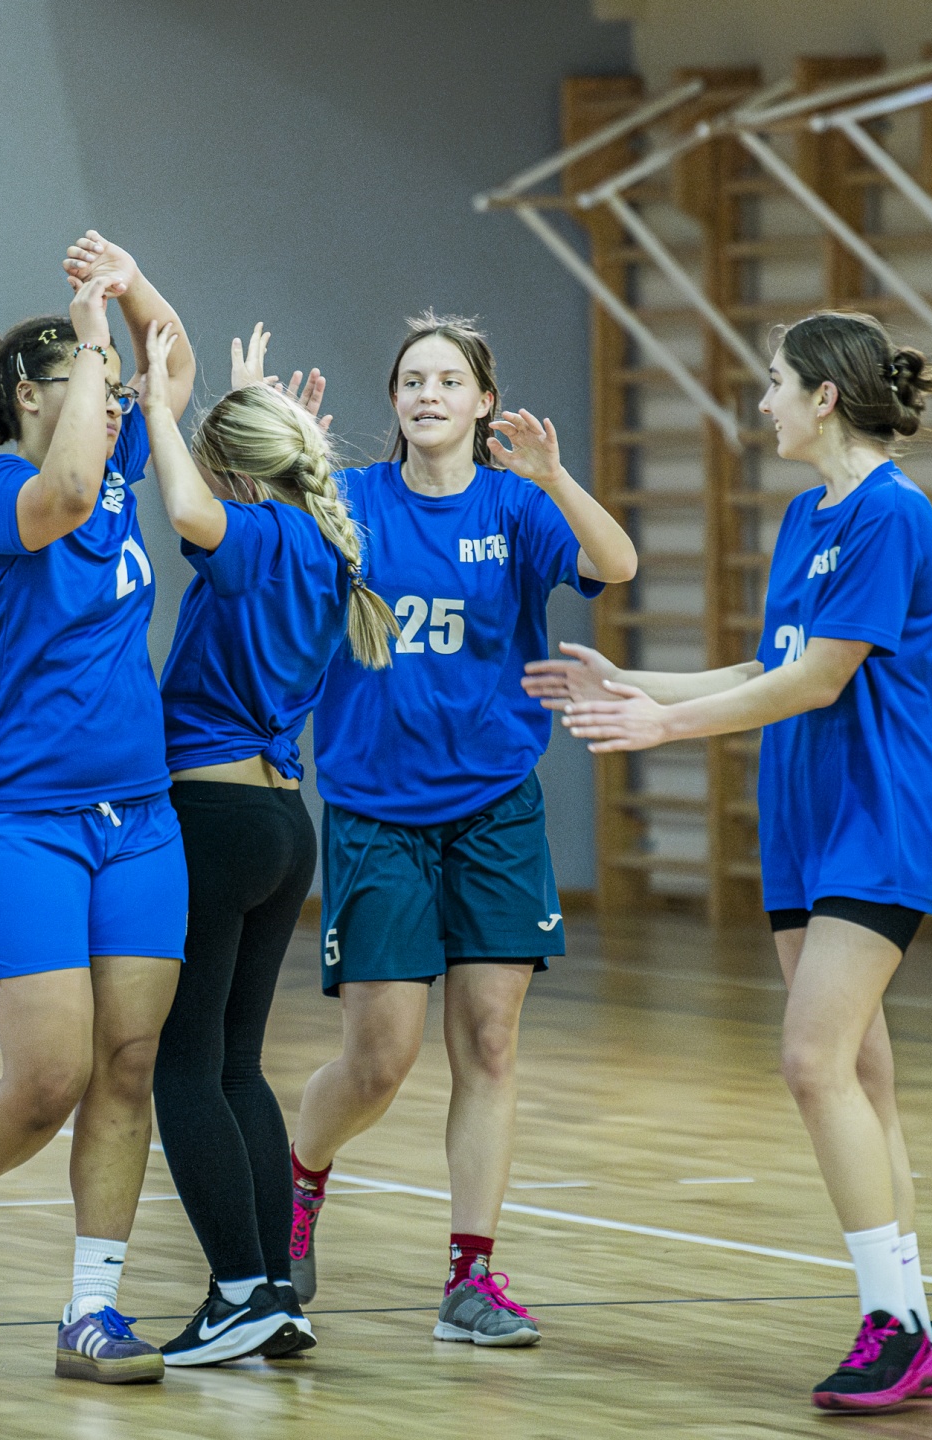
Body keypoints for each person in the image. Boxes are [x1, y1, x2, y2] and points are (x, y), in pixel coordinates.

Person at [536, 310, 932, 1411]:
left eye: (775, 382)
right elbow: (764, 663)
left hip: (878, 817)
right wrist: (632, 685)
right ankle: (918, 1325)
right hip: (804, 820)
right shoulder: (805, 517)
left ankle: (889, 1324)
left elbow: (819, 681)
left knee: (813, 1062)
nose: (762, 401)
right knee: (861, 1077)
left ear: (825, 397)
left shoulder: (892, 514)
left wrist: (664, 730)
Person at [286, 313, 637, 1346]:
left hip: (494, 809)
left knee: (488, 1041)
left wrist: (555, 477)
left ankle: (470, 1278)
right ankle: (299, 1178)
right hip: (376, 812)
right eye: (412, 381)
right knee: (379, 1061)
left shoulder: (517, 506)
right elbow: (251, 547)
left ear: (485, 402)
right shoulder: (351, 501)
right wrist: (286, 464)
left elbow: (615, 563)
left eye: (448, 380)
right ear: (394, 402)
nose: (427, 395)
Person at [0, 233, 195, 1385]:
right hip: (19, 821)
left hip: (139, 818)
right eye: (89, 382)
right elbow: (60, 493)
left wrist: (128, 282)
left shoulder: (121, 464)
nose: (115, 401)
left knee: (128, 1062)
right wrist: (98, 342)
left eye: (112, 387)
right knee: (50, 1078)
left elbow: (175, 357)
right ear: (32, 395)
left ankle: (92, 1312)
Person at [142, 322, 397, 1366]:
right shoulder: (325, 544)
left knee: (182, 1067)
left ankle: (240, 1290)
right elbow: (232, 494)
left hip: (213, 819)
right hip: (284, 824)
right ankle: (276, 1293)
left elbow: (189, 509)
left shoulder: (257, 538)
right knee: (238, 1066)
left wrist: (159, 410)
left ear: (241, 476)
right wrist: (248, 405)